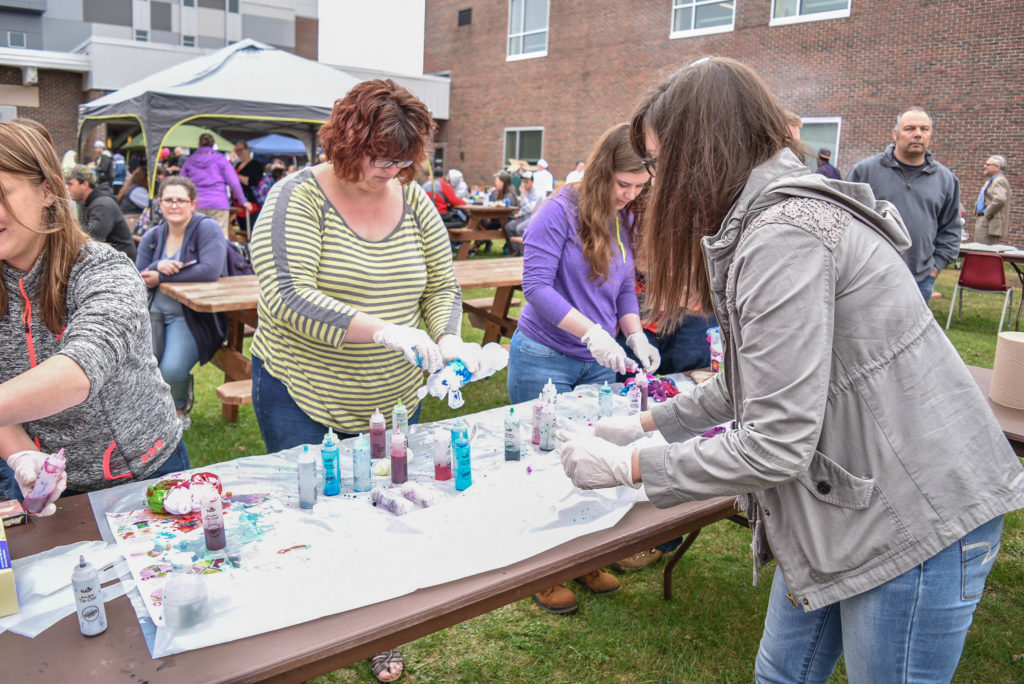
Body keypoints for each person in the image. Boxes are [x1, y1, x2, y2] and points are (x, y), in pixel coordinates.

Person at [559, 57, 1024, 683]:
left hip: (917, 514)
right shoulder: (770, 216)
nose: (655, 182)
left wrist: (630, 468)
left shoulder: (783, 235)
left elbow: (776, 443)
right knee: (781, 674)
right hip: (847, 506)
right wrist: (642, 425)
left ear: (701, 152)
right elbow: (749, 383)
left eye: (660, 163)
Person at [248, 78, 483, 683]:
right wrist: (384, 331)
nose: (391, 172)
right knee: (315, 510)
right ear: (346, 143)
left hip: (393, 398)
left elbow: (441, 286)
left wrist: (447, 336)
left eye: (403, 161)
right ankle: (317, 616)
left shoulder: (415, 200)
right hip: (303, 392)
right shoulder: (294, 199)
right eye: (381, 159)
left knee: (387, 511)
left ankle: (379, 628)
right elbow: (286, 296)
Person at [507, 122, 661, 615]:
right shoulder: (558, 210)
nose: (630, 195)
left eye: (639, 187)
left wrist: (632, 332)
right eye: (623, 185)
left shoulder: (626, 216)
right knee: (544, 461)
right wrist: (591, 333)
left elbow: (621, 286)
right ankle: (543, 569)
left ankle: (585, 559)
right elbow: (535, 287)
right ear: (601, 173)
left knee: (592, 457)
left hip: (597, 362)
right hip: (544, 354)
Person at [0, 119, 188, 510]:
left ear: (49, 190)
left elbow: (79, 371)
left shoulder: (104, 269)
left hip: (144, 473)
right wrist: (19, 453)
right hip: (45, 482)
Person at [136, 176, 227, 428]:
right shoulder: (153, 236)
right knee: (147, 367)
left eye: (181, 200)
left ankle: (177, 413)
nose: (174, 205)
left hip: (190, 316)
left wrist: (160, 276)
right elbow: (137, 274)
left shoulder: (206, 228)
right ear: (160, 203)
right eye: (168, 200)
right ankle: (153, 413)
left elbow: (210, 270)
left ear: (193, 204)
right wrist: (156, 265)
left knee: (172, 369)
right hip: (154, 312)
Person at [847, 107, 961, 301]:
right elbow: (844, 219)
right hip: (869, 277)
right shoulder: (865, 172)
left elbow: (951, 229)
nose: (917, 134)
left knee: (914, 333)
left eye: (924, 129)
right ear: (895, 133)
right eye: (910, 128)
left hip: (920, 280)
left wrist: (935, 267)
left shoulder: (946, 180)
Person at [179, 133, 252, 238]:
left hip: (197, 203)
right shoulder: (221, 160)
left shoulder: (190, 160)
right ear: (213, 144)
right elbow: (234, 181)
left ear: (199, 144)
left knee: (197, 236)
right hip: (218, 203)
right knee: (219, 237)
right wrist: (243, 201)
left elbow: (181, 182)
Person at [65, 164, 137, 260]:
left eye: (70, 184)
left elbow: (93, 237)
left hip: (121, 261)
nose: (67, 188)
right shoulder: (87, 203)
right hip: (107, 257)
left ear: (85, 184)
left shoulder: (103, 205)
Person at [504, 170, 543, 255]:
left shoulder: (537, 193)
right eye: (523, 182)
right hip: (524, 216)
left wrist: (523, 195)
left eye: (527, 182)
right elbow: (523, 207)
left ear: (532, 182)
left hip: (534, 217)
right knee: (509, 226)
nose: (524, 184)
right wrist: (520, 213)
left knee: (520, 228)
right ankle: (516, 250)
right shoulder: (526, 191)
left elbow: (531, 209)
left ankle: (524, 253)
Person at [974, 155, 1011, 245]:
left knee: (982, 254)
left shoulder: (999, 180)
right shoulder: (992, 180)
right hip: (985, 222)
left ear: (997, 167)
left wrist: (987, 212)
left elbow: (1000, 199)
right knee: (978, 251)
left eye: (987, 164)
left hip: (989, 224)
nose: (984, 166)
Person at [232, 139, 264, 231]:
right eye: (237, 150)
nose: (239, 153)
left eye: (240, 150)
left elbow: (253, 182)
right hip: (237, 204)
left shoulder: (255, 165)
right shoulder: (237, 164)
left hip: (250, 204)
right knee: (242, 230)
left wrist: (235, 176)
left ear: (247, 149)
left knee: (250, 230)